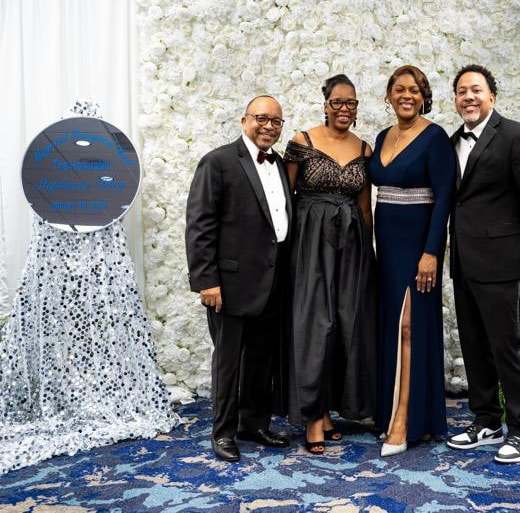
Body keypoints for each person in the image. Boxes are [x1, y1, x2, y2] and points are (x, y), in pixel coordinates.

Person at [446, 64, 520, 464]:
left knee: (505, 345)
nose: (469, 97)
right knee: (474, 346)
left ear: (492, 95)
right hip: (464, 261)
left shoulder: (516, 136)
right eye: (461, 91)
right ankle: (486, 421)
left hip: (501, 261)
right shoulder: (453, 140)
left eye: (476, 89)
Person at [185, 94, 292, 462]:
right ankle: (223, 433)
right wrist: (206, 281)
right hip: (228, 286)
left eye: (276, 121)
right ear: (244, 120)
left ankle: (254, 423)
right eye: (262, 118)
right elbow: (199, 225)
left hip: (270, 282)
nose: (269, 126)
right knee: (229, 363)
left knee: (262, 360)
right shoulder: (218, 162)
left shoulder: (278, 163)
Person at [283, 74, 377, 455]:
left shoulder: (365, 148)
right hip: (309, 245)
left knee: (344, 325)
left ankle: (328, 411)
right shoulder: (301, 142)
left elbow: (364, 205)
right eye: (337, 102)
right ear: (324, 105)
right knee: (314, 324)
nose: (343, 109)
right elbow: (285, 200)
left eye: (350, 103)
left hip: (351, 245)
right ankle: (311, 416)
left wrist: (371, 250)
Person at [368, 65, 456, 457]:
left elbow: (444, 200)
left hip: (419, 245)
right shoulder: (381, 136)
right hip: (385, 244)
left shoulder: (435, 138)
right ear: (389, 95)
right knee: (390, 325)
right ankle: (389, 408)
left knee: (409, 326)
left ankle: (405, 420)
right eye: (399, 89)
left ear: (424, 97)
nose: (407, 95)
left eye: (415, 89)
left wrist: (431, 253)